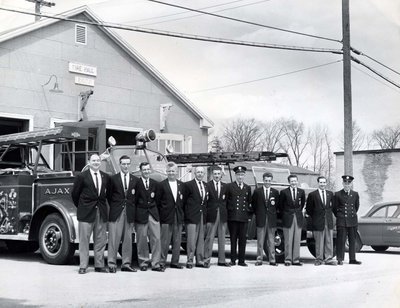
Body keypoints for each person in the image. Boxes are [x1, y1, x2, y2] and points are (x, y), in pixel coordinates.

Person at [71, 153, 110, 274]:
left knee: (100, 240)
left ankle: (99, 265)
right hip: (86, 212)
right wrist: (83, 206)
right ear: (89, 162)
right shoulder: (82, 176)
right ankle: (83, 266)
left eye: (98, 160)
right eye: (93, 160)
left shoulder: (105, 176)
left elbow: (107, 194)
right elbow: (74, 194)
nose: (96, 162)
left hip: (101, 212)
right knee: (84, 240)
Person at [107, 155, 138, 273]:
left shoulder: (135, 180)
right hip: (116, 213)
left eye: (127, 164)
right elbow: (109, 196)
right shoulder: (113, 179)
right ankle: (111, 263)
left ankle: (126, 264)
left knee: (128, 240)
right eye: (123, 164)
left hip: (129, 213)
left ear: (130, 165)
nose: (125, 166)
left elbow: (136, 197)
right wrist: (116, 206)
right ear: (120, 164)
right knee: (114, 239)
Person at [134, 162, 164, 272]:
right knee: (141, 239)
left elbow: (158, 200)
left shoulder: (155, 184)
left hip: (153, 214)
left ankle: (156, 263)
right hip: (141, 214)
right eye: (144, 170)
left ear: (150, 170)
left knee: (156, 238)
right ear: (140, 171)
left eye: (148, 169)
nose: (146, 171)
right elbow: (135, 201)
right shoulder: (136, 184)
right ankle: (143, 262)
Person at [157, 162, 185, 269]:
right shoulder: (161, 185)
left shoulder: (181, 185)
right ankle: (162, 262)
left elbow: (183, 202)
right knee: (164, 241)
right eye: (169, 171)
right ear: (166, 172)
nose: (171, 173)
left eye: (173, 171)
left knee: (177, 241)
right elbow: (158, 202)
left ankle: (175, 262)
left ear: (177, 172)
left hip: (178, 217)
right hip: (166, 217)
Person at [306, 176, 336, 266]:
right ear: (318, 183)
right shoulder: (313, 195)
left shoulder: (330, 194)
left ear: (326, 183)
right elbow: (309, 209)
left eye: (324, 182)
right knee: (319, 241)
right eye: (321, 182)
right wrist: (315, 217)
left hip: (328, 221)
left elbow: (332, 207)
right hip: (318, 221)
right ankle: (319, 259)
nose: (322, 184)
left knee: (329, 241)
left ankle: (328, 259)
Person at [226, 166, 252, 266]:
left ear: (244, 176)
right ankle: (233, 260)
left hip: (243, 218)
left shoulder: (247, 187)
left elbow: (249, 202)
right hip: (233, 217)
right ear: (235, 175)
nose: (240, 177)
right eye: (238, 175)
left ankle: (241, 260)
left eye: (242, 175)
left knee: (242, 240)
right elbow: (227, 201)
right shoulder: (229, 187)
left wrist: (248, 215)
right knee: (233, 239)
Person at [204, 166, 230, 267]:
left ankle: (222, 260)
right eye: (215, 174)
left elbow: (226, 201)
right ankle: (206, 260)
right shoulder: (207, 185)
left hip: (222, 215)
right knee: (209, 238)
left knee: (222, 239)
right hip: (211, 215)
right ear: (212, 175)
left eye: (218, 174)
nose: (217, 176)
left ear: (221, 175)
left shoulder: (225, 186)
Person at [252, 172, 279, 266]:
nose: (267, 182)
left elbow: (277, 206)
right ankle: (259, 259)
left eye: (269, 180)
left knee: (271, 240)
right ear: (263, 180)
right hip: (261, 218)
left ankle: (272, 260)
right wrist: (259, 214)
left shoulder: (275, 192)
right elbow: (254, 205)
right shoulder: (257, 191)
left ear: (271, 181)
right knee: (260, 240)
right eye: (266, 180)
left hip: (271, 219)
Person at [333, 175, 362, 265]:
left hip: (352, 220)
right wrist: (340, 215)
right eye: (345, 183)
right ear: (342, 183)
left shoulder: (355, 194)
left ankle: (352, 259)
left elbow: (356, 207)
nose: (347, 185)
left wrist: (351, 215)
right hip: (342, 220)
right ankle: (340, 258)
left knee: (352, 240)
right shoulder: (337, 194)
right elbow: (334, 208)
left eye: (349, 183)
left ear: (351, 184)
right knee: (341, 240)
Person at [183, 166, 208, 269]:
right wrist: (186, 215)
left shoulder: (206, 186)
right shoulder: (188, 185)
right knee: (191, 240)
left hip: (202, 216)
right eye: (198, 172)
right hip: (191, 216)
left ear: (204, 174)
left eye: (202, 172)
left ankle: (200, 260)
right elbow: (184, 202)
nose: (200, 174)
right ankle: (189, 261)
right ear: (195, 173)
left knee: (201, 240)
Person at [279, 174, 305, 266]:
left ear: (297, 181)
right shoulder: (284, 192)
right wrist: (286, 213)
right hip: (288, 217)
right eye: (292, 181)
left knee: (297, 239)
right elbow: (280, 206)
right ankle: (288, 259)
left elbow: (302, 204)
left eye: (295, 181)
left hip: (297, 217)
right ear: (289, 182)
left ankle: (296, 260)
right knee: (288, 240)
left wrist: (297, 212)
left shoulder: (301, 192)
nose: (293, 183)